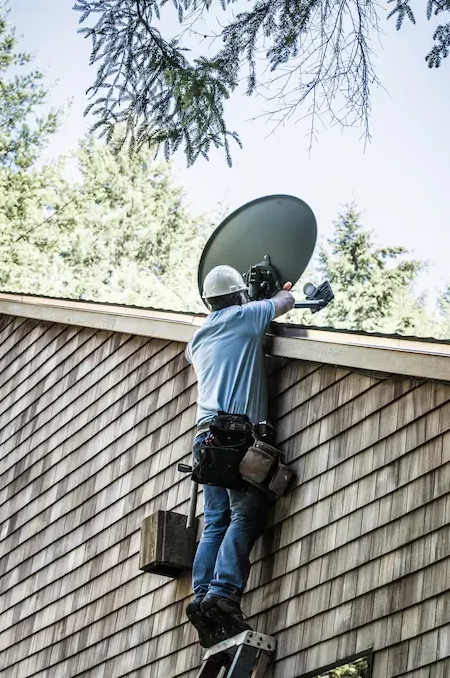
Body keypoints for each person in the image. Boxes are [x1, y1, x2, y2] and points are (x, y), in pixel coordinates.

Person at [185, 264, 295, 648]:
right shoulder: (247, 316)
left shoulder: (197, 339)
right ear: (238, 295)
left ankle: (201, 598)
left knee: (215, 520)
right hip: (238, 438)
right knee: (245, 514)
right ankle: (224, 592)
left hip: (205, 440)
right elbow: (285, 301)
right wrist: (282, 292)